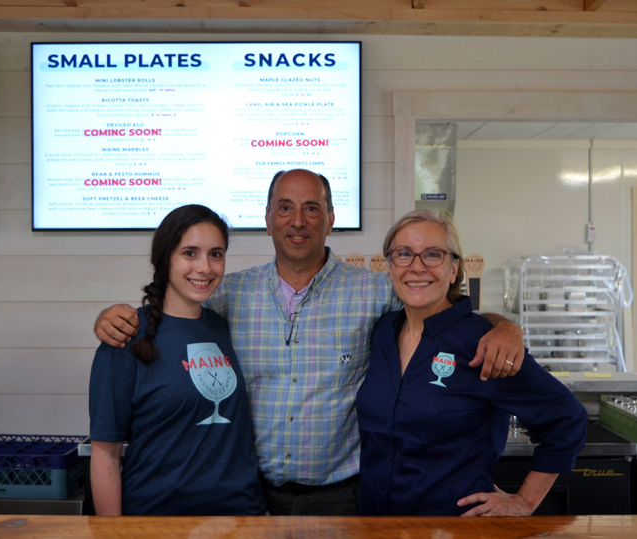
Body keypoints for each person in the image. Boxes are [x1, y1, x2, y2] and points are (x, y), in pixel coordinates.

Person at [93, 169, 526, 515]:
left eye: (311, 208)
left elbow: (439, 304)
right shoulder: (226, 296)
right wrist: (116, 317)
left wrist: (502, 325)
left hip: (344, 498)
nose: (297, 220)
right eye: (284, 207)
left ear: (331, 220)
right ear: (267, 220)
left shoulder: (374, 292)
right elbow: (172, 310)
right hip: (254, 496)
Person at [356, 210, 587, 517]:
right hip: (376, 526)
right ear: (390, 266)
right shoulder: (383, 332)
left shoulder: (482, 342)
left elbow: (567, 418)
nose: (417, 266)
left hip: (453, 528)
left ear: (454, 269)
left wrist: (523, 502)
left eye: (433, 255)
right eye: (404, 254)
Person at [89, 204, 266, 516]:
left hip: (238, 517)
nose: (205, 267)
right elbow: (106, 454)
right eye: (190, 253)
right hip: (159, 519)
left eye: (216, 254)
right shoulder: (125, 336)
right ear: (165, 258)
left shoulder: (222, 325)